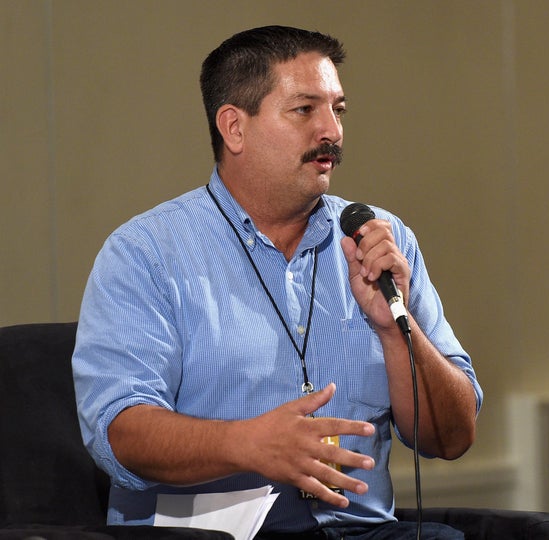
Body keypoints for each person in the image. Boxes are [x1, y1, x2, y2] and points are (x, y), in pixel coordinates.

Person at [72, 25, 482, 539]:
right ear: (234, 128)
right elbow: (119, 431)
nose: (330, 131)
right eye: (305, 110)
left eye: (339, 110)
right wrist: (248, 444)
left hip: (362, 533)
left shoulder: (378, 238)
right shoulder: (147, 253)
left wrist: (395, 330)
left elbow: (452, 436)